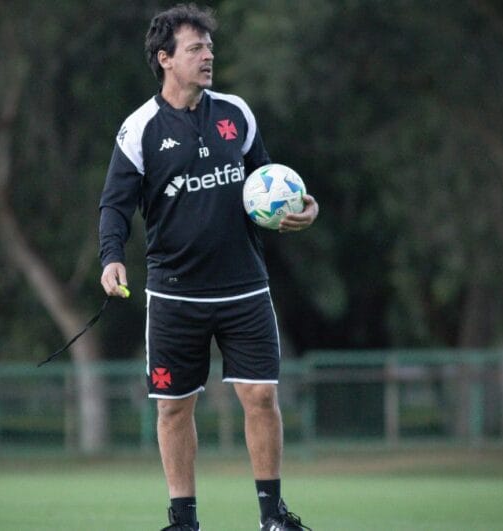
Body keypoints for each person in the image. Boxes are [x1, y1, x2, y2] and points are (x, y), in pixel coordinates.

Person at [97, 4, 318, 530]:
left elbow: (270, 181)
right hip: (174, 295)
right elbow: (115, 204)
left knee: (261, 396)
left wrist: (305, 206)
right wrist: (110, 258)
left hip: (244, 288)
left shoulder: (235, 113)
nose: (208, 55)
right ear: (165, 58)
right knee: (173, 409)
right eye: (196, 48)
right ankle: (183, 521)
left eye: (209, 47)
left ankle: (272, 518)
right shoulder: (139, 129)